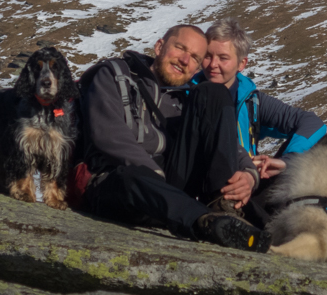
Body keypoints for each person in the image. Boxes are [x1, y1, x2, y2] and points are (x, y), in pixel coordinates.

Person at [73, 24, 268, 252]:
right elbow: (107, 134)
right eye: (180, 48)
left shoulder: (184, 98)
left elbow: (228, 144)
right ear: (159, 46)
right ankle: (206, 223)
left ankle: (223, 208)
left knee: (213, 93)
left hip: (168, 188)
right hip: (116, 182)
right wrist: (153, 177)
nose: (185, 60)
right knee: (131, 176)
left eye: (195, 57)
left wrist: (249, 174)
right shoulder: (115, 74)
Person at [198, 18, 327, 222]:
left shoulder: (251, 101)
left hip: (252, 180)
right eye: (207, 56)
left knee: (322, 147)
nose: (213, 65)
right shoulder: (190, 92)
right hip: (212, 187)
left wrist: (287, 162)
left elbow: (312, 123)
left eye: (223, 58)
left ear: (242, 63)